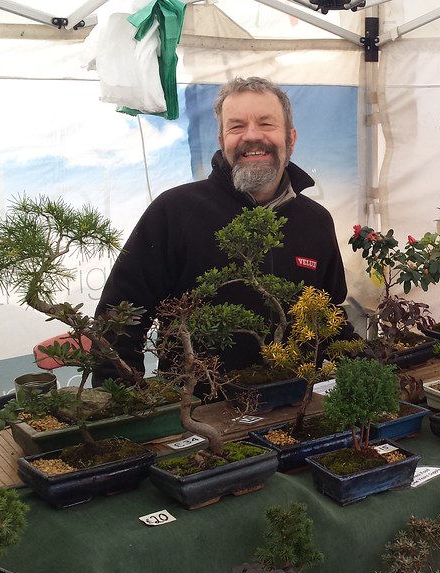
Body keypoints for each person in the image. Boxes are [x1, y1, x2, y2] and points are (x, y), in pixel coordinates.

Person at [92, 76, 350, 386]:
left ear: (290, 139)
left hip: (299, 400)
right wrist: (120, 397)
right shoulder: (175, 211)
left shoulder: (316, 221)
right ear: (221, 139)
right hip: (198, 403)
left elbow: (331, 314)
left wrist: (366, 370)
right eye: (236, 126)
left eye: (266, 124)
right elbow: (120, 316)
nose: (251, 136)